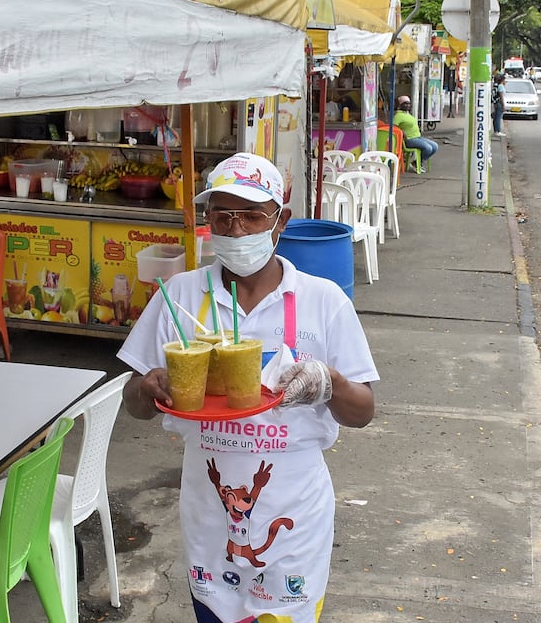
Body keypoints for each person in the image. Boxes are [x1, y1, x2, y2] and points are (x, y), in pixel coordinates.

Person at [120, 152, 378, 623]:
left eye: (252, 215)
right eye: (222, 215)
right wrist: (148, 388)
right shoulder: (179, 295)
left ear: (280, 222)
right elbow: (135, 403)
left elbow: (362, 410)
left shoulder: (325, 301)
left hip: (293, 513)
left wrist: (329, 382)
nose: (236, 230)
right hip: (209, 509)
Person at [392, 95, 439, 160]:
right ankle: (419, 163)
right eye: (405, 104)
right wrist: (402, 132)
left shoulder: (407, 114)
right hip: (409, 139)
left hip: (417, 137)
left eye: (408, 103)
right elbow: (393, 127)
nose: (407, 105)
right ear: (400, 105)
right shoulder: (398, 116)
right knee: (428, 148)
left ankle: (419, 161)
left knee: (435, 146)